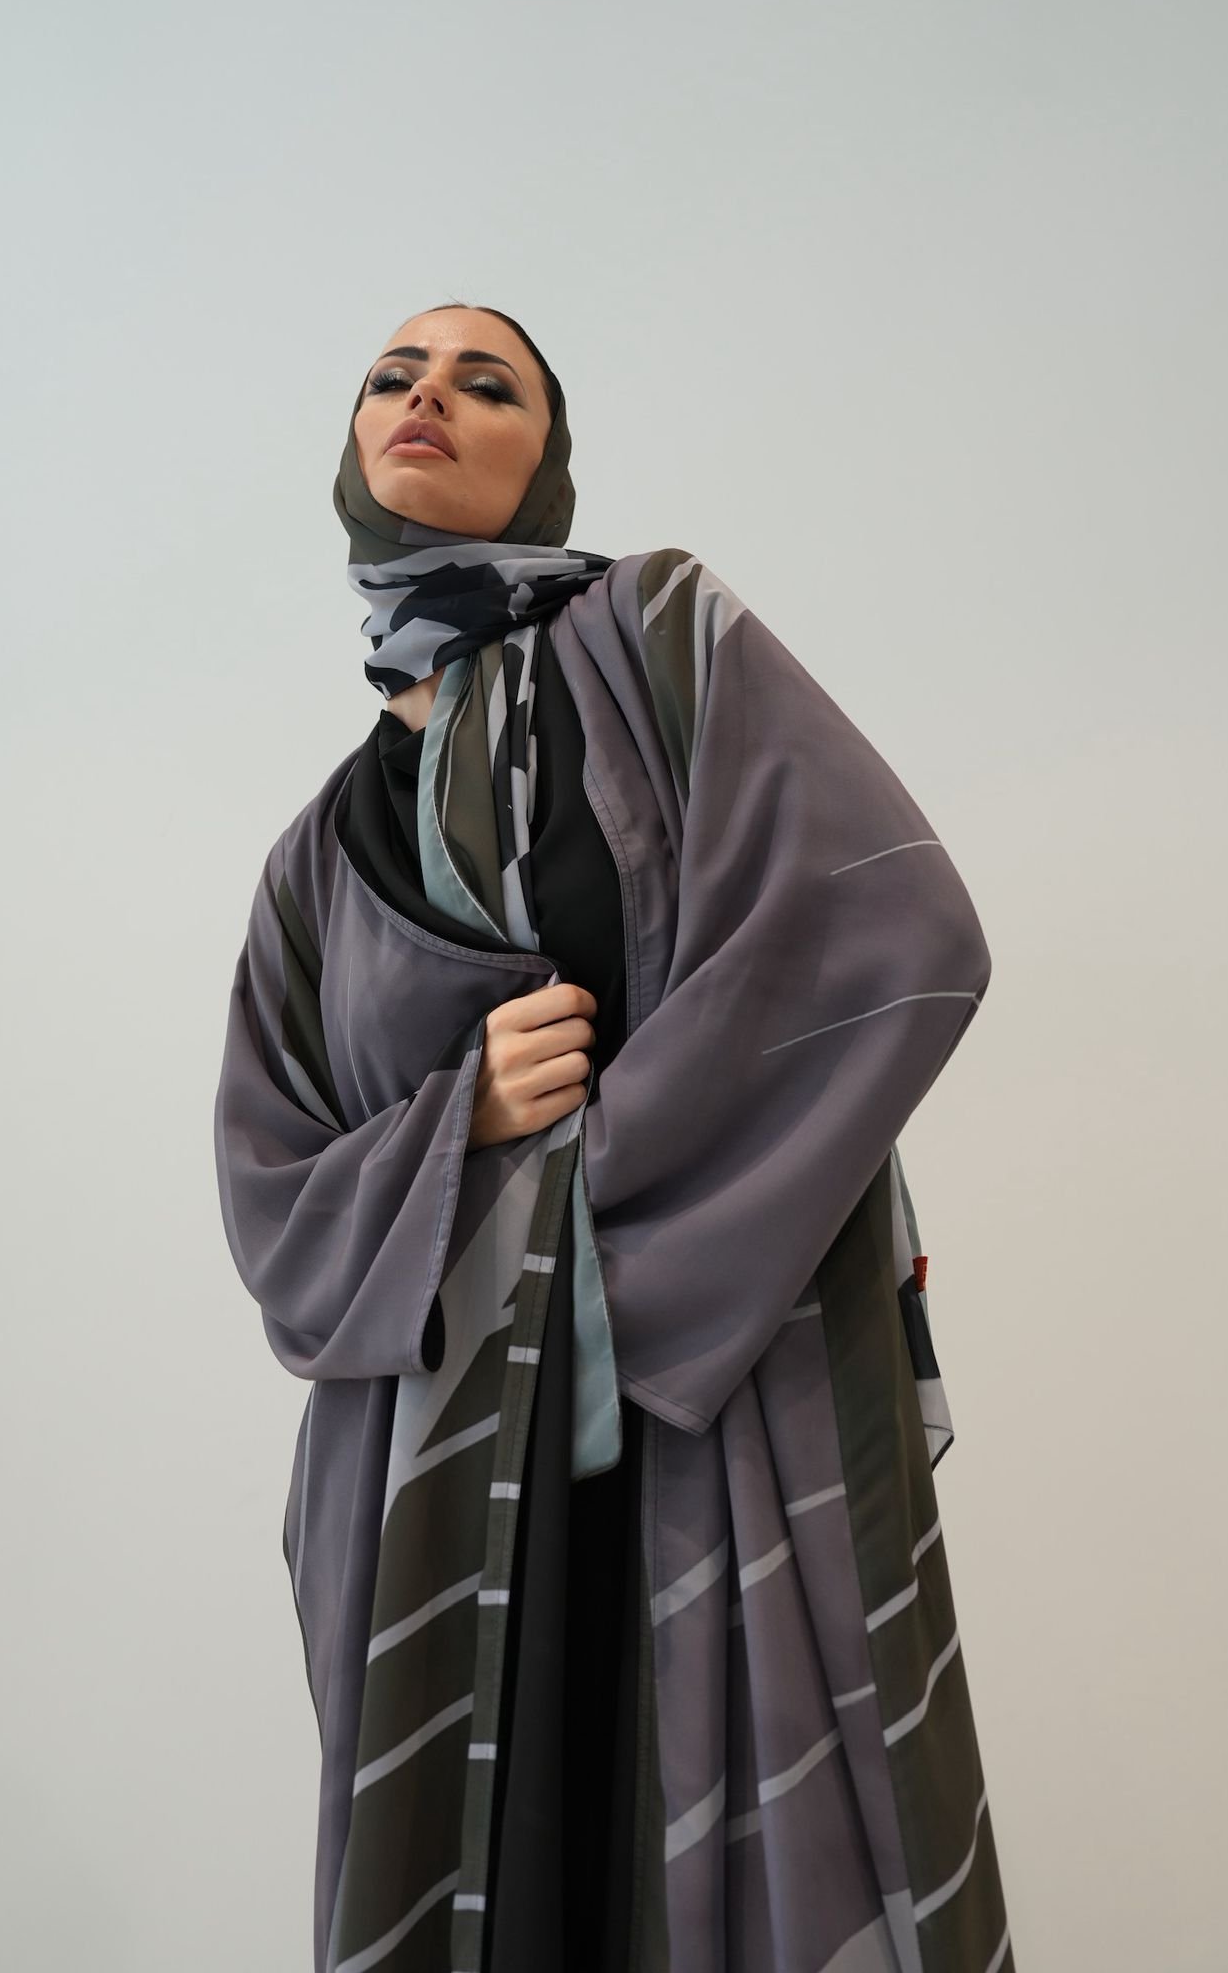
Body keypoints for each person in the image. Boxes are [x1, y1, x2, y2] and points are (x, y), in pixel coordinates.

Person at [213, 303, 1017, 1972]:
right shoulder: (316, 855)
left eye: (484, 382)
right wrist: (465, 1120)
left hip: (693, 1395)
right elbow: (274, 1195)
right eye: (392, 375)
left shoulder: (652, 640)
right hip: (429, 1468)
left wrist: (593, 1171)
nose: (427, 394)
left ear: (546, 463)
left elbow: (889, 932)